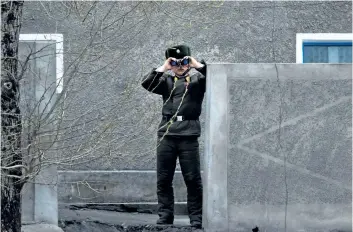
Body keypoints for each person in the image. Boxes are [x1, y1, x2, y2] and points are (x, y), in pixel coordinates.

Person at [141, 45, 206, 229]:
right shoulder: (166, 82)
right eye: (175, 63)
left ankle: (196, 218)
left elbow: (213, 77)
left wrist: (196, 64)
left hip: (189, 135)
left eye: (184, 61)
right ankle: (165, 217)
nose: (180, 66)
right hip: (166, 135)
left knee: (192, 179)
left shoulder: (197, 81)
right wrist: (163, 67)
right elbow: (147, 83)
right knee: (164, 178)